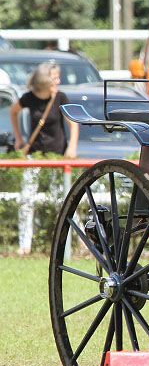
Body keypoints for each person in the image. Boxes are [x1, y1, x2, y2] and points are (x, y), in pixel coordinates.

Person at [9, 62, 79, 255]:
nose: (59, 81)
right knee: (27, 199)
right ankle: (25, 245)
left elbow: (73, 122)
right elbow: (13, 112)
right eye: (55, 77)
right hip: (35, 157)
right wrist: (19, 137)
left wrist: (72, 145)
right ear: (44, 81)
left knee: (64, 200)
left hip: (57, 157)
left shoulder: (61, 98)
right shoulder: (28, 98)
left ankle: (75, 243)